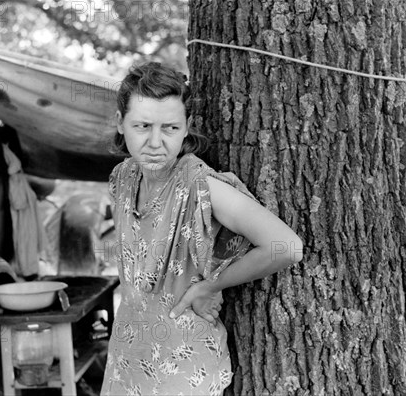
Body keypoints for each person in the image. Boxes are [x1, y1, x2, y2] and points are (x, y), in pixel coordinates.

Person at [100, 62, 303, 395]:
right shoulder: (121, 178)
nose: (155, 141)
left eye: (169, 128)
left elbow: (286, 247)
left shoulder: (199, 185)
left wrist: (211, 285)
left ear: (186, 127)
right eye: (142, 126)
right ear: (120, 124)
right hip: (127, 359)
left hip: (182, 369)